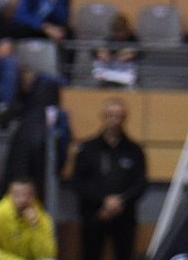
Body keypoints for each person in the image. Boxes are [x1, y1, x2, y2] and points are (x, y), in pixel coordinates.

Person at [71, 98, 146, 260]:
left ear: (125, 118)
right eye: (110, 115)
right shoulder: (87, 149)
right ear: (103, 117)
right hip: (94, 215)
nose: (115, 120)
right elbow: (78, 182)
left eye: (119, 116)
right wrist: (103, 201)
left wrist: (120, 201)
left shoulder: (135, 150)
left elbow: (140, 184)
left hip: (124, 216)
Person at [0, 178, 55, 260]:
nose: (23, 200)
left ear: (34, 196)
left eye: (28, 195)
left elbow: (48, 254)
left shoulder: (42, 217)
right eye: (17, 195)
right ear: (9, 195)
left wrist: (35, 227)